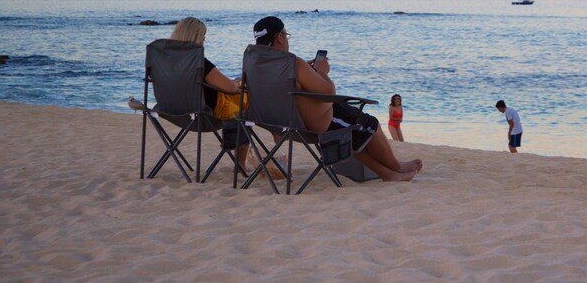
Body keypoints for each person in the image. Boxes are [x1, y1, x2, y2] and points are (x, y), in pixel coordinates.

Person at [252, 16, 421, 182]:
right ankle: (397, 167)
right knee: (370, 124)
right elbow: (329, 92)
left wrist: (309, 72)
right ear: (279, 37)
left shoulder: (254, 64)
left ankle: (388, 174)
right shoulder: (293, 63)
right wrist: (322, 71)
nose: (287, 39)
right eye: (286, 35)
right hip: (310, 126)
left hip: (279, 125)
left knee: (350, 131)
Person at [168, 17, 252, 174]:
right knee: (244, 104)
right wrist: (238, 84)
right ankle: (239, 165)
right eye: (203, 39)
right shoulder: (199, 62)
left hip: (172, 112)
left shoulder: (166, 61)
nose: (203, 43)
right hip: (204, 116)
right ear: (195, 39)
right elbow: (230, 88)